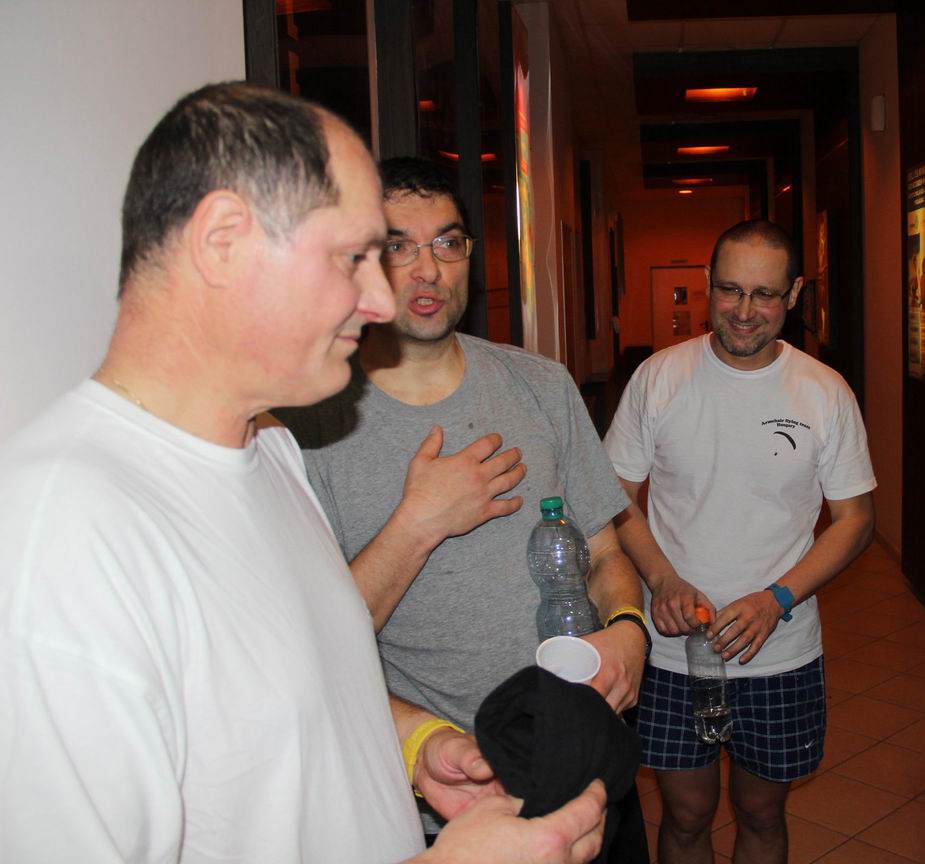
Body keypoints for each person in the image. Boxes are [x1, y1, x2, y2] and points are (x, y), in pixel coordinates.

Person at [0, 82, 606, 864]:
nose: (381, 299)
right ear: (222, 241)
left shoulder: (273, 455)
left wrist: (413, 744)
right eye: (355, 257)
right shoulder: (57, 536)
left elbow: (285, 699)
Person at [276, 156, 651, 841]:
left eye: (447, 243)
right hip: (432, 794)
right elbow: (311, 643)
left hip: (575, 759)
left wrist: (628, 628)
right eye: (398, 246)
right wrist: (419, 523)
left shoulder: (542, 385)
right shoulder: (305, 429)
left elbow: (604, 553)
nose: (428, 270)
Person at [603, 219, 877, 864]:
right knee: (686, 815)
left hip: (779, 651)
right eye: (730, 290)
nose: (745, 311)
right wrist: (661, 578)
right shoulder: (659, 378)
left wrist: (776, 598)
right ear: (708, 283)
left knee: (760, 812)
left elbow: (856, 520)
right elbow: (611, 496)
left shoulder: (824, 391)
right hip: (672, 649)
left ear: (795, 293)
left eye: (765, 294)